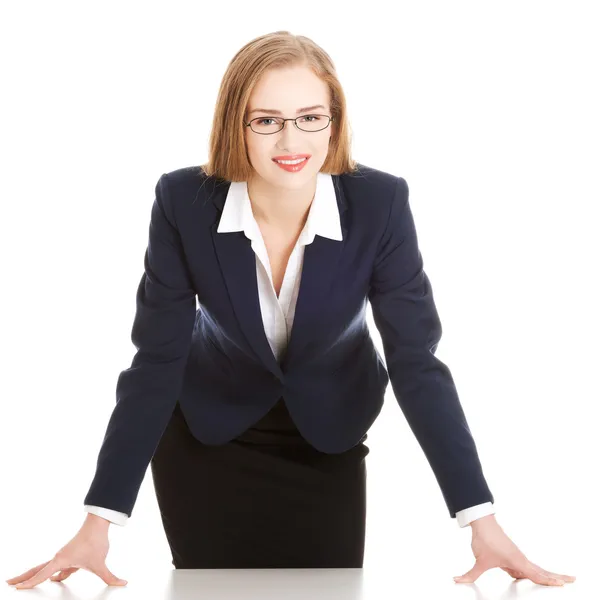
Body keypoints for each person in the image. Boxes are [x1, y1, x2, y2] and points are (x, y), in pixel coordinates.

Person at [7, 30, 576, 589]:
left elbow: (416, 361)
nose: (290, 141)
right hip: (207, 438)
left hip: (327, 435)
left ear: (335, 118)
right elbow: (156, 360)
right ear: (237, 122)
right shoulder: (184, 200)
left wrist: (480, 517)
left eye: (310, 117)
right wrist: (99, 519)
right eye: (266, 120)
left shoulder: (379, 203)